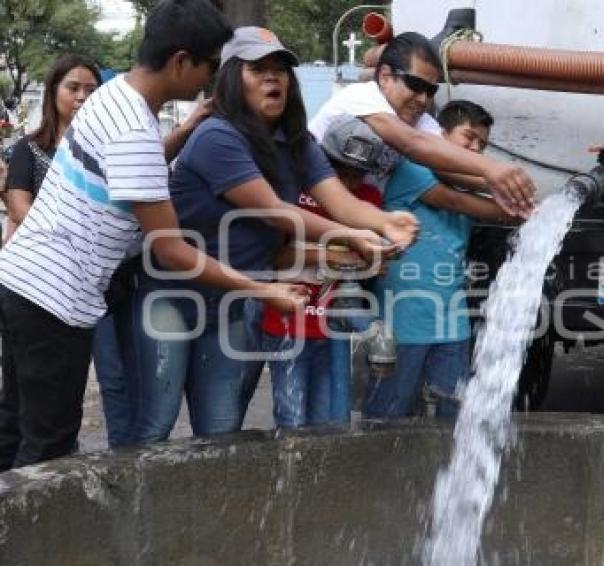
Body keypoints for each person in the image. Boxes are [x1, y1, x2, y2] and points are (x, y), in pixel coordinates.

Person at [0, 0, 305, 470]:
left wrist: (183, 132)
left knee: (15, 425)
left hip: (21, 280)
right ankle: (33, 543)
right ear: (181, 61)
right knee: (48, 447)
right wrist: (263, 287)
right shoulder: (135, 133)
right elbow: (172, 248)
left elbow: (123, 172)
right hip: (54, 301)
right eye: (207, 66)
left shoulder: (113, 95)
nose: (209, 79)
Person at [124, 27, 418, 445]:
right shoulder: (216, 136)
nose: (273, 77)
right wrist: (353, 236)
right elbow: (275, 212)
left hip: (234, 300)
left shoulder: (298, 143)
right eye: (257, 68)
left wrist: (383, 225)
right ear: (230, 78)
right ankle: (137, 510)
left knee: (222, 428)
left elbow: (341, 203)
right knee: (158, 420)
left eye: (280, 69)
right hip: (171, 293)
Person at [364, 100, 518, 419]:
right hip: (402, 320)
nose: (475, 148)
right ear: (441, 133)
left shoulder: (463, 179)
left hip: (451, 319)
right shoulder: (412, 169)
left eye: (482, 144)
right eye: (468, 137)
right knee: (388, 414)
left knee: (455, 417)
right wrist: (524, 211)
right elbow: (453, 201)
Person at [249, 114, 395, 427]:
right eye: (342, 171)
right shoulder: (294, 192)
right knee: (292, 418)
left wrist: (377, 260)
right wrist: (335, 257)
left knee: (328, 420)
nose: (350, 183)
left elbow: (376, 265)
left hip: (334, 323)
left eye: (359, 174)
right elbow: (277, 256)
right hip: (289, 322)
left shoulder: (369, 201)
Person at [309, 32, 536, 217]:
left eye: (431, 90)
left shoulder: (417, 120)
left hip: (352, 217)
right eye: (415, 85)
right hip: (305, 205)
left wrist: (505, 190)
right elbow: (412, 144)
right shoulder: (361, 96)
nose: (423, 99)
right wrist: (491, 168)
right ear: (385, 76)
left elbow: (446, 164)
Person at [1, 55, 101, 242]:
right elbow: (18, 208)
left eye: (91, 90)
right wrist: (69, 233)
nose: (82, 97)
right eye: (73, 88)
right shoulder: (29, 148)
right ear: (53, 92)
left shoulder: (105, 150)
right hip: (41, 253)